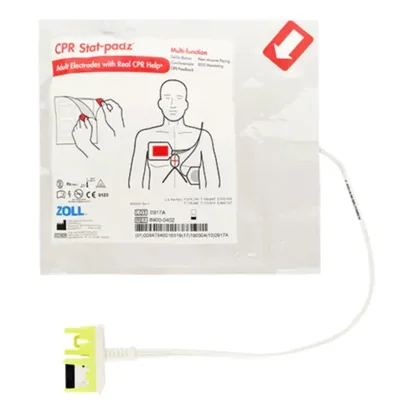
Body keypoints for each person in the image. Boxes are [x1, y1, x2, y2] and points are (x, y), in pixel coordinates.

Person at [128, 79, 221, 190]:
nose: (173, 105)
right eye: (167, 98)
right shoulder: (145, 137)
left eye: (179, 98)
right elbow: (135, 182)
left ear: (186, 104)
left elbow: (213, 181)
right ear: (160, 103)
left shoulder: (202, 137)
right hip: (157, 199)